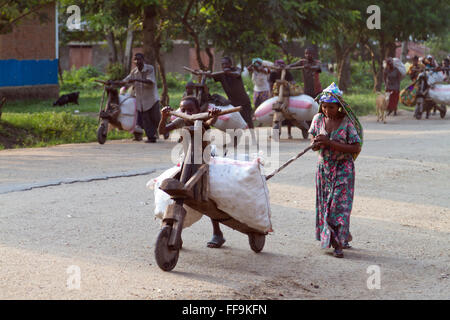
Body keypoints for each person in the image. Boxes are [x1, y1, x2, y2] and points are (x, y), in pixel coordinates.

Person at [158, 96, 228, 249]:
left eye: (191, 110)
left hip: (205, 161)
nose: (187, 112)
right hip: (187, 161)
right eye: (183, 109)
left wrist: (214, 116)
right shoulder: (180, 121)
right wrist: (164, 117)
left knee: (208, 194)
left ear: (198, 111)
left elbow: (210, 123)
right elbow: (163, 130)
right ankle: (176, 233)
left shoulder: (201, 121)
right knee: (175, 192)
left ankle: (217, 233)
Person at [309, 82, 363, 258]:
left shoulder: (347, 123)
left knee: (338, 207)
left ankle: (338, 244)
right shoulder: (317, 120)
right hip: (324, 169)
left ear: (339, 107)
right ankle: (337, 238)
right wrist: (315, 143)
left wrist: (330, 143)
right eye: (324, 106)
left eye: (331, 107)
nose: (327, 110)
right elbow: (313, 142)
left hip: (343, 169)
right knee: (326, 205)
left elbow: (355, 147)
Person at [122, 53, 161, 143]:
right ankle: (151, 137)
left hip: (152, 99)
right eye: (135, 60)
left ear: (143, 59)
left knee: (156, 118)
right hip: (141, 101)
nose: (137, 61)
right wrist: (113, 82)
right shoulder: (134, 72)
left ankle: (164, 130)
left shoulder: (150, 68)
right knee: (146, 119)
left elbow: (150, 82)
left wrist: (136, 80)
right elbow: (125, 81)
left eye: (139, 59)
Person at [209, 56, 254, 129]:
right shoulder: (221, 75)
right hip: (233, 103)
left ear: (230, 64)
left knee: (248, 120)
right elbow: (210, 76)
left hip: (244, 102)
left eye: (226, 64)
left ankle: (253, 138)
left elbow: (238, 74)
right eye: (222, 64)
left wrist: (229, 72)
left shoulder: (236, 69)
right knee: (234, 122)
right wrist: (204, 73)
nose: (224, 66)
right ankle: (235, 139)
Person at [269, 59, 295, 139]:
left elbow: (293, 82)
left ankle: (289, 133)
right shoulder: (273, 74)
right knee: (275, 112)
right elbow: (270, 84)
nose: (278, 68)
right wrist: (271, 94)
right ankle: (275, 132)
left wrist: (286, 83)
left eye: (280, 66)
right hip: (276, 95)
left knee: (286, 111)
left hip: (286, 94)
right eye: (277, 66)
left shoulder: (287, 73)